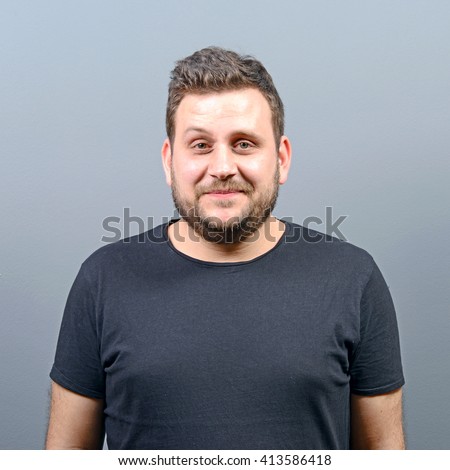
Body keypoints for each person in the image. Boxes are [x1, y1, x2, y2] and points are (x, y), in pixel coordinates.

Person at [45, 46, 405, 450]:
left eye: (244, 144)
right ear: (169, 162)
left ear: (281, 159)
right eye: (200, 145)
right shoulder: (103, 280)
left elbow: (385, 454)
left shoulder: (353, 279)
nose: (222, 167)